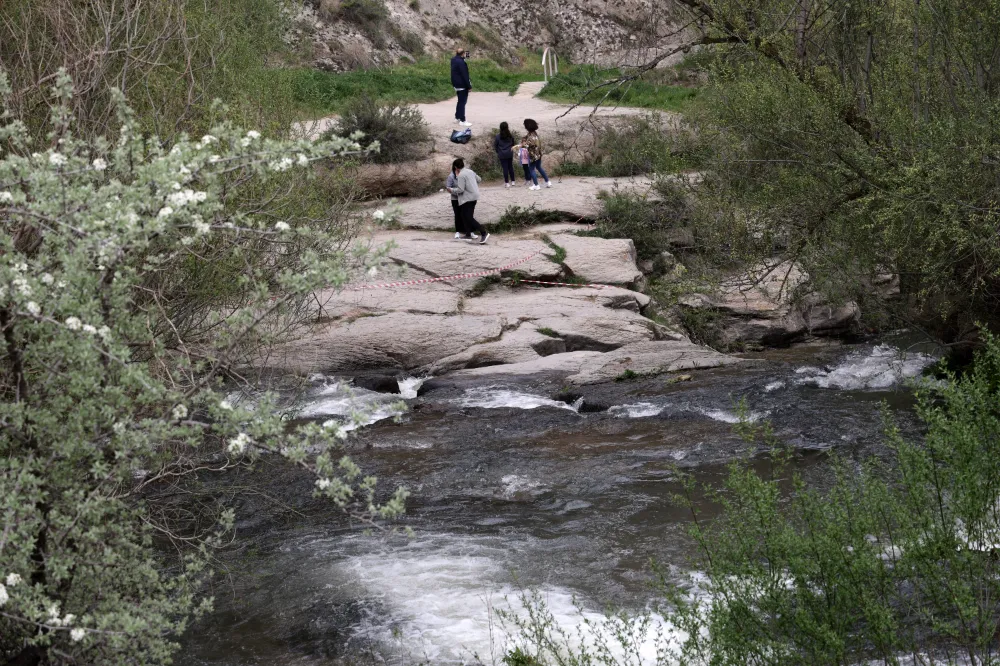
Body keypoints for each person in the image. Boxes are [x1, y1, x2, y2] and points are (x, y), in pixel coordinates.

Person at [448, 158, 489, 244]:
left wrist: (451, 190)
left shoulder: (461, 175)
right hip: (474, 195)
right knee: (464, 215)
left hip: (467, 198)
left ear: (456, 167)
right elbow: (479, 179)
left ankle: (483, 232)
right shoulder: (470, 171)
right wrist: (471, 185)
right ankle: (468, 234)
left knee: (468, 217)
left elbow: (460, 190)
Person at [520, 118, 551, 190]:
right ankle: (547, 181)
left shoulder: (531, 137)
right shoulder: (534, 133)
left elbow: (526, 145)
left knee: (531, 169)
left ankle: (536, 185)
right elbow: (526, 138)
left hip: (533, 155)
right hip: (538, 154)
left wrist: (520, 145)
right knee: (539, 167)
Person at [445, 169, 472, 239]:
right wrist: (457, 192)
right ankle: (458, 231)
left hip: (464, 198)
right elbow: (448, 188)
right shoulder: (451, 176)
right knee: (457, 215)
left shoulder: (464, 175)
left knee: (466, 215)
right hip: (455, 199)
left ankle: (468, 231)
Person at [450, 47, 472, 127]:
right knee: (462, 102)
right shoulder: (461, 62)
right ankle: (462, 120)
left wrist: (463, 59)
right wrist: (469, 86)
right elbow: (464, 75)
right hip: (462, 85)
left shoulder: (453, 60)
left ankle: (457, 117)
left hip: (456, 84)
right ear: (463, 54)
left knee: (459, 101)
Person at [493, 122, 516, 188]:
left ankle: (507, 182)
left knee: (505, 168)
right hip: (509, 153)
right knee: (510, 167)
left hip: (502, 154)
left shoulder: (498, 136)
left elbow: (495, 146)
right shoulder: (510, 136)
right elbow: (513, 144)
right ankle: (513, 181)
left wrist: (498, 152)